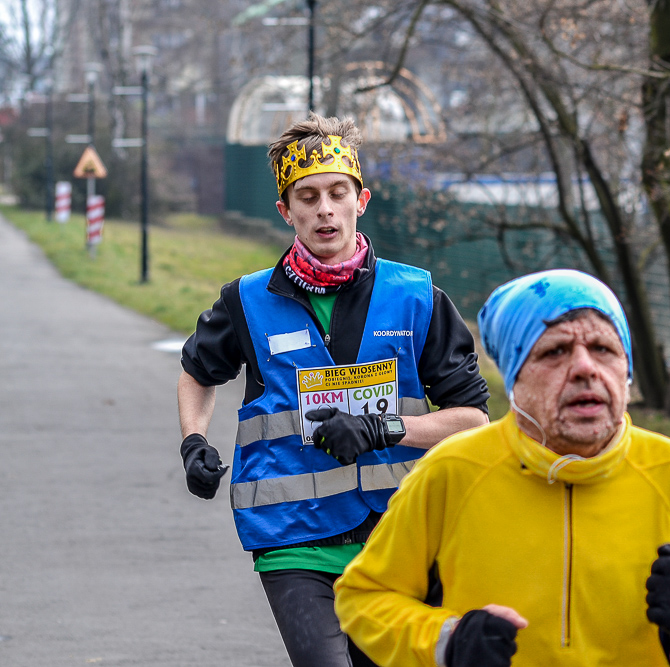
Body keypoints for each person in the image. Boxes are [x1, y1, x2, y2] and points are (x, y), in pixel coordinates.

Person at [176, 113, 490, 667]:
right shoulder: (246, 302)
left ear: (360, 199)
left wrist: (384, 428)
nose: (324, 209)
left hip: (398, 534)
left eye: (337, 192)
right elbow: (198, 372)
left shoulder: (417, 297)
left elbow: (472, 420)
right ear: (286, 211)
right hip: (293, 537)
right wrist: (193, 441)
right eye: (308, 195)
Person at [333, 268, 670, 667]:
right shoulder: (452, 471)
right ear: (515, 379)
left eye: (604, 349)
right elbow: (363, 599)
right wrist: (447, 640)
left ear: (626, 371)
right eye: (555, 351)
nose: (586, 368)